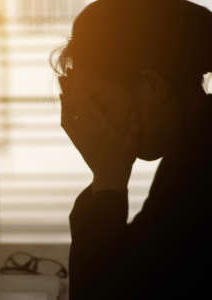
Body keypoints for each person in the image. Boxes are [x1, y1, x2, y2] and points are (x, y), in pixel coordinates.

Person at [51, 0, 212, 299]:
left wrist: (108, 180)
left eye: (98, 103)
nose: (91, 120)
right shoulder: (195, 144)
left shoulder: (199, 168)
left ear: (152, 87)